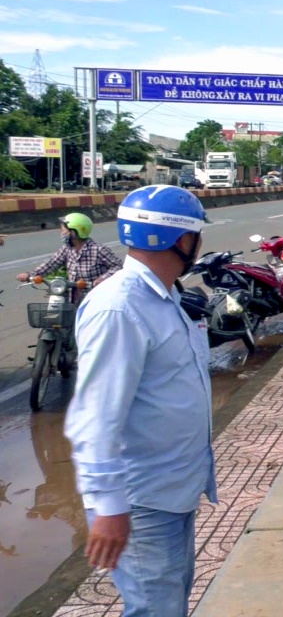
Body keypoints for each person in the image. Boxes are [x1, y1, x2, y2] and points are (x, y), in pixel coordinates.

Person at [64, 185, 216, 617]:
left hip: (171, 491)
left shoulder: (163, 296)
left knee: (169, 602)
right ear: (183, 240)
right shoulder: (120, 308)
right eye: (197, 234)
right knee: (155, 609)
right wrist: (110, 507)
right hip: (141, 500)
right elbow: (95, 418)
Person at [17, 213, 122, 289]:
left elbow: (118, 267)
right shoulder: (67, 249)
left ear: (73, 233)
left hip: (95, 295)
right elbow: (51, 264)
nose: (61, 233)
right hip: (73, 294)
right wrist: (30, 274)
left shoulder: (98, 250)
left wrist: (102, 279)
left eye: (63, 230)